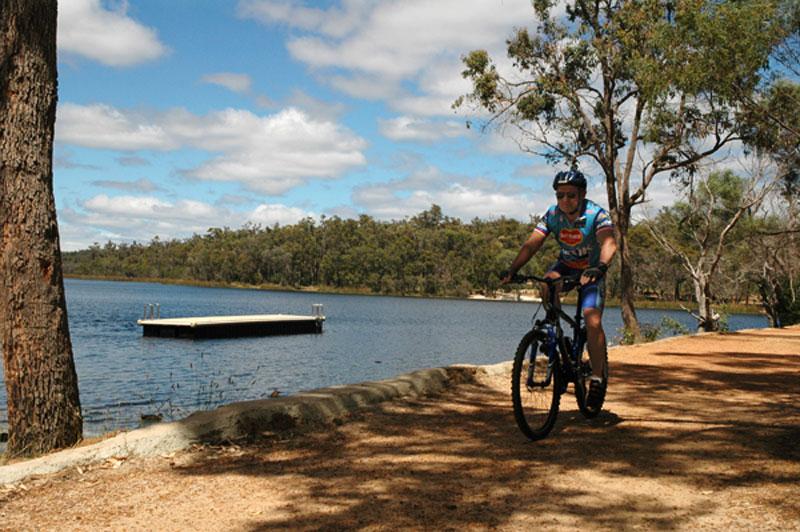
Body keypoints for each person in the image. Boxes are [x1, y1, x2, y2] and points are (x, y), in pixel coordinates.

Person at [501, 169, 617, 412]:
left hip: (591, 271)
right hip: (566, 266)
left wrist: (601, 267)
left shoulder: (596, 214)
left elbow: (609, 243)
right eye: (560, 195)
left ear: (582, 194)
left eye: (571, 195)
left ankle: (596, 378)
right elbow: (532, 244)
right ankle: (555, 337)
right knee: (546, 282)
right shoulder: (552, 215)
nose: (565, 201)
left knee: (591, 319)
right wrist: (512, 270)